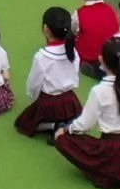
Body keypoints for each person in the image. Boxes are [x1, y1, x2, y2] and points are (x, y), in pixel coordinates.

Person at [55, 37, 120, 189]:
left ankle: (104, 174)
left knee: (63, 140)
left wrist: (64, 130)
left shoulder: (99, 91)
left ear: (101, 60)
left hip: (110, 148)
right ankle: (119, 174)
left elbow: (84, 125)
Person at [15, 7, 82, 138]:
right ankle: (65, 125)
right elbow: (75, 76)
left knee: (23, 123)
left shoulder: (42, 56)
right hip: (70, 101)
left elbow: (33, 85)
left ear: (46, 29)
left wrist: (34, 102)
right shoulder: (73, 50)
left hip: (48, 104)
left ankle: (54, 126)